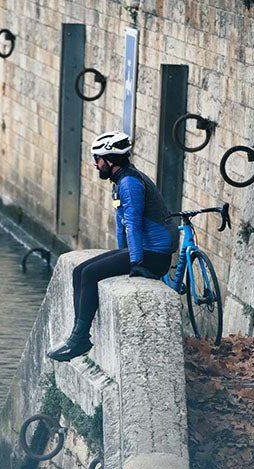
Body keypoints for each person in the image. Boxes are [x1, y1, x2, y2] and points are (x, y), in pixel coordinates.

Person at [47, 131, 179, 362]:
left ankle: (78, 340)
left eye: (97, 159)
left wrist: (135, 263)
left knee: (89, 274)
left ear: (110, 160)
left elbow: (134, 226)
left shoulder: (129, 183)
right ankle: (78, 337)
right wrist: (123, 253)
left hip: (153, 256)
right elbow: (122, 225)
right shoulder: (120, 181)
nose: (95, 164)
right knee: (79, 271)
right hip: (141, 251)